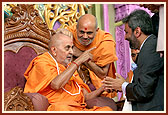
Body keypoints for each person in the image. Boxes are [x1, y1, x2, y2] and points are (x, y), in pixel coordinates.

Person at [24, 29, 114, 111]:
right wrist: (78, 61)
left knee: (106, 110)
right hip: (59, 108)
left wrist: (103, 88)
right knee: (61, 109)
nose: (71, 51)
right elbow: (56, 84)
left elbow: (86, 97)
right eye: (67, 48)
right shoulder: (42, 62)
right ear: (54, 50)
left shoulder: (70, 67)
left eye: (72, 47)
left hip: (78, 109)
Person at [102, 10, 164, 111]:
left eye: (126, 32)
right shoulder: (149, 46)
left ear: (137, 31)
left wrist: (122, 85)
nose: (125, 37)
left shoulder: (149, 49)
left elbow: (144, 91)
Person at [66, 14, 118, 98]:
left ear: (97, 30)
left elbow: (103, 74)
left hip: (99, 87)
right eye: (81, 32)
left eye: (89, 33)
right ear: (76, 29)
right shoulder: (71, 31)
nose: (85, 37)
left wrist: (81, 55)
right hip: (74, 83)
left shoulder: (106, 42)